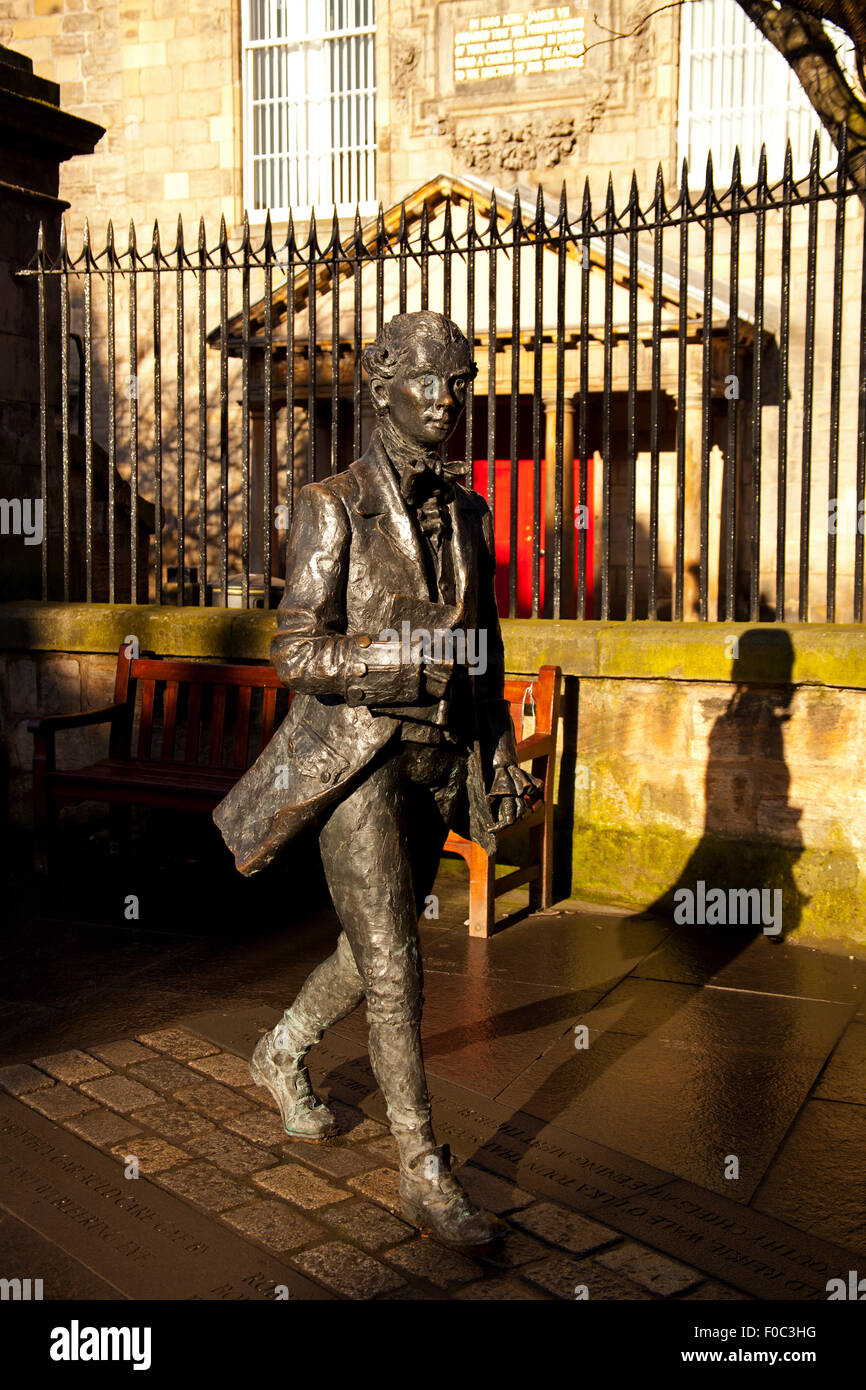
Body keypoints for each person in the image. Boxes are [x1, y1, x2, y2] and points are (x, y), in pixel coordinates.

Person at [214, 310, 540, 1247]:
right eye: (429, 383)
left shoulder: (470, 509)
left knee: (370, 949)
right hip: (356, 757)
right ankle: (424, 1169)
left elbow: (484, 644)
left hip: (439, 760)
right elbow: (298, 651)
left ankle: (279, 1053)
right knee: (397, 966)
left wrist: (502, 748)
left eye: (460, 383)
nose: (447, 401)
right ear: (382, 388)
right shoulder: (331, 502)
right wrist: (398, 660)